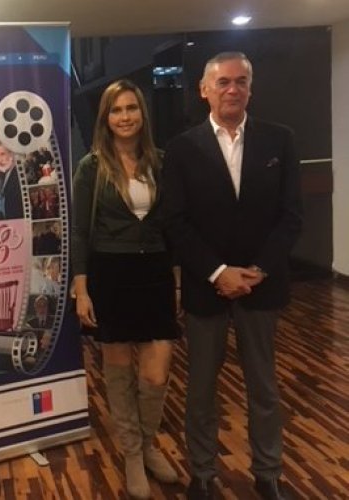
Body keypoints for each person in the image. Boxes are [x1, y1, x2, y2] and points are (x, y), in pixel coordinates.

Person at [161, 52, 302, 500]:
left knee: (264, 387)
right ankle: (203, 474)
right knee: (201, 389)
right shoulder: (181, 149)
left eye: (241, 81)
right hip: (207, 288)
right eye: (222, 82)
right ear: (204, 90)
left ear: (250, 88)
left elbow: (291, 217)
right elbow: (175, 221)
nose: (232, 89)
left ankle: (268, 473)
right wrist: (218, 272)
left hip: (261, 286)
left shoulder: (280, 140)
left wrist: (257, 271)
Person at [71, 79, 180, 499]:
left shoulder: (162, 162)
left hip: (155, 272)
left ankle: (148, 443)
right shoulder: (92, 167)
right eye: (116, 110)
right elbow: (80, 233)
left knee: (156, 372)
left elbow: (173, 226)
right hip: (110, 273)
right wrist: (82, 289)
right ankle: (133, 455)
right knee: (118, 372)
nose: (125, 116)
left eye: (131, 108)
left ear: (142, 114)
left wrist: (177, 281)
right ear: (106, 117)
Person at [0, 140, 24, 219]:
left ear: (11, 153)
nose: (0, 159)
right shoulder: (6, 173)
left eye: (2, 154)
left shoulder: (18, 173)